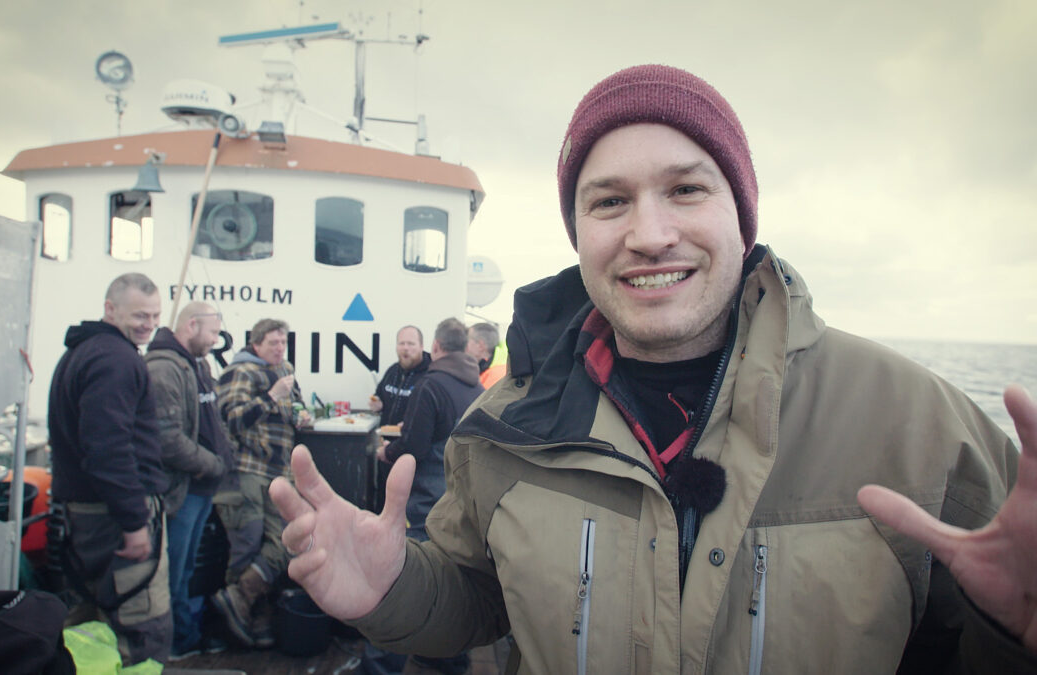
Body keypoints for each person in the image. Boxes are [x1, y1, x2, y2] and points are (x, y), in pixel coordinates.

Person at [270, 65, 1037, 673]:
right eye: (609, 202)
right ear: (577, 233)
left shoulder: (918, 422)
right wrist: (391, 588)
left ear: (742, 214)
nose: (650, 232)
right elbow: (475, 599)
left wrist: (1014, 635)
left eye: (686, 189)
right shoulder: (504, 425)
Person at [46, 272, 170, 666]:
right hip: (113, 521)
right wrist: (134, 523)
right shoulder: (115, 360)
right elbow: (108, 449)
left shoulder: (82, 352)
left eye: (155, 316)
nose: (149, 325)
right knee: (141, 627)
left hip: (83, 516)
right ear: (110, 309)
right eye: (140, 316)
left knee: (91, 625)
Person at [365, 318, 482, 675]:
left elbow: (413, 448)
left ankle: (382, 666)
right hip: (461, 504)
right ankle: (447, 659)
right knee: (451, 585)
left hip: (425, 505)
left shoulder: (430, 385)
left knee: (400, 586)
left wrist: (386, 452)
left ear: (435, 346)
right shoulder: (477, 388)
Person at [211, 318, 307, 648]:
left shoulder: (286, 370)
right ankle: (248, 624)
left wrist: (301, 414)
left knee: (285, 542)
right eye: (273, 343)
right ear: (256, 345)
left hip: (280, 472)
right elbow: (231, 420)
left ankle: (239, 597)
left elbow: (295, 405)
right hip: (247, 469)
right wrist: (270, 396)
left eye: (283, 343)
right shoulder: (239, 372)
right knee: (246, 546)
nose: (280, 349)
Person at [144, 301, 232, 660]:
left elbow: (211, 419)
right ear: (191, 325)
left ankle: (186, 633)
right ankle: (177, 642)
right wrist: (212, 464)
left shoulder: (197, 364)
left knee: (187, 569)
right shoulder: (163, 369)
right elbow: (167, 439)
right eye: (213, 333)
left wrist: (223, 454)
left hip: (202, 488)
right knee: (173, 573)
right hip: (182, 491)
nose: (215, 341)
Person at [370, 325, 432, 427]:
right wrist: (378, 405)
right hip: (386, 435)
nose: (405, 348)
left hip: (414, 436)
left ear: (421, 346)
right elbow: (379, 395)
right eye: (401, 343)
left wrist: (414, 425)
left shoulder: (432, 375)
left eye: (411, 344)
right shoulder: (392, 371)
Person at [466, 322, 507, 390]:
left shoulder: (494, 377)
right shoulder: (502, 365)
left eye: (466, 341)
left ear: (480, 345)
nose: (464, 345)